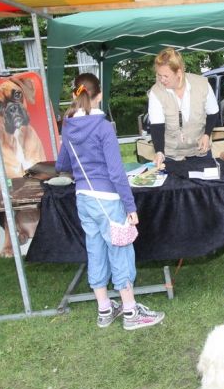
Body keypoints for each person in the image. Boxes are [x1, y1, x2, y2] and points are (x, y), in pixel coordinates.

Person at [56, 73, 165, 331]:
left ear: (75, 94)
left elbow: (62, 164)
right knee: (121, 251)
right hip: (108, 200)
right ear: (99, 95)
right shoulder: (103, 127)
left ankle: (104, 309)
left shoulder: (68, 126)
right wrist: (130, 206)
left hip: (84, 198)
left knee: (95, 250)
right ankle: (130, 312)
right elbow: (116, 173)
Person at [148, 48, 219, 171]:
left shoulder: (202, 84)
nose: (161, 80)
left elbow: (213, 113)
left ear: (179, 72)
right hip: (170, 154)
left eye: (166, 76)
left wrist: (207, 134)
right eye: (159, 75)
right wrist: (159, 151)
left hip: (200, 150)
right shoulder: (156, 92)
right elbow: (157, 126)